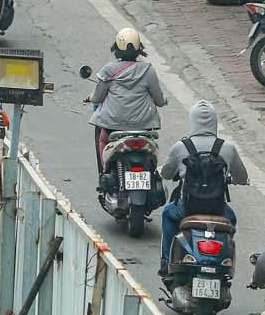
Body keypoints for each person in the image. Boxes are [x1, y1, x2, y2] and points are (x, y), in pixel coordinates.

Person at [158, 100, 248, 272]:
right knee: (232, 219)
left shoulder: (181, 147)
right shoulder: (227, 148)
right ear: (215, 121)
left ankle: (166, 261)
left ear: (192, 121)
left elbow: (167, 174)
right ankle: (224, 257)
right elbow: (242, 177)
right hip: (217, 210)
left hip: (187, 209)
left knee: (168, 214)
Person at [88, 27, 167, 168]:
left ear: (116, 48)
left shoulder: (108, 70)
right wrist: (163, 100)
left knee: (102, 139)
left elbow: (98, 98)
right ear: (138, 49)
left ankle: (104, 171)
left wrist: (91, 98)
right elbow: (159, 100)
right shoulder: (148, 70)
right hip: (144, 125)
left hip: (113, 124)